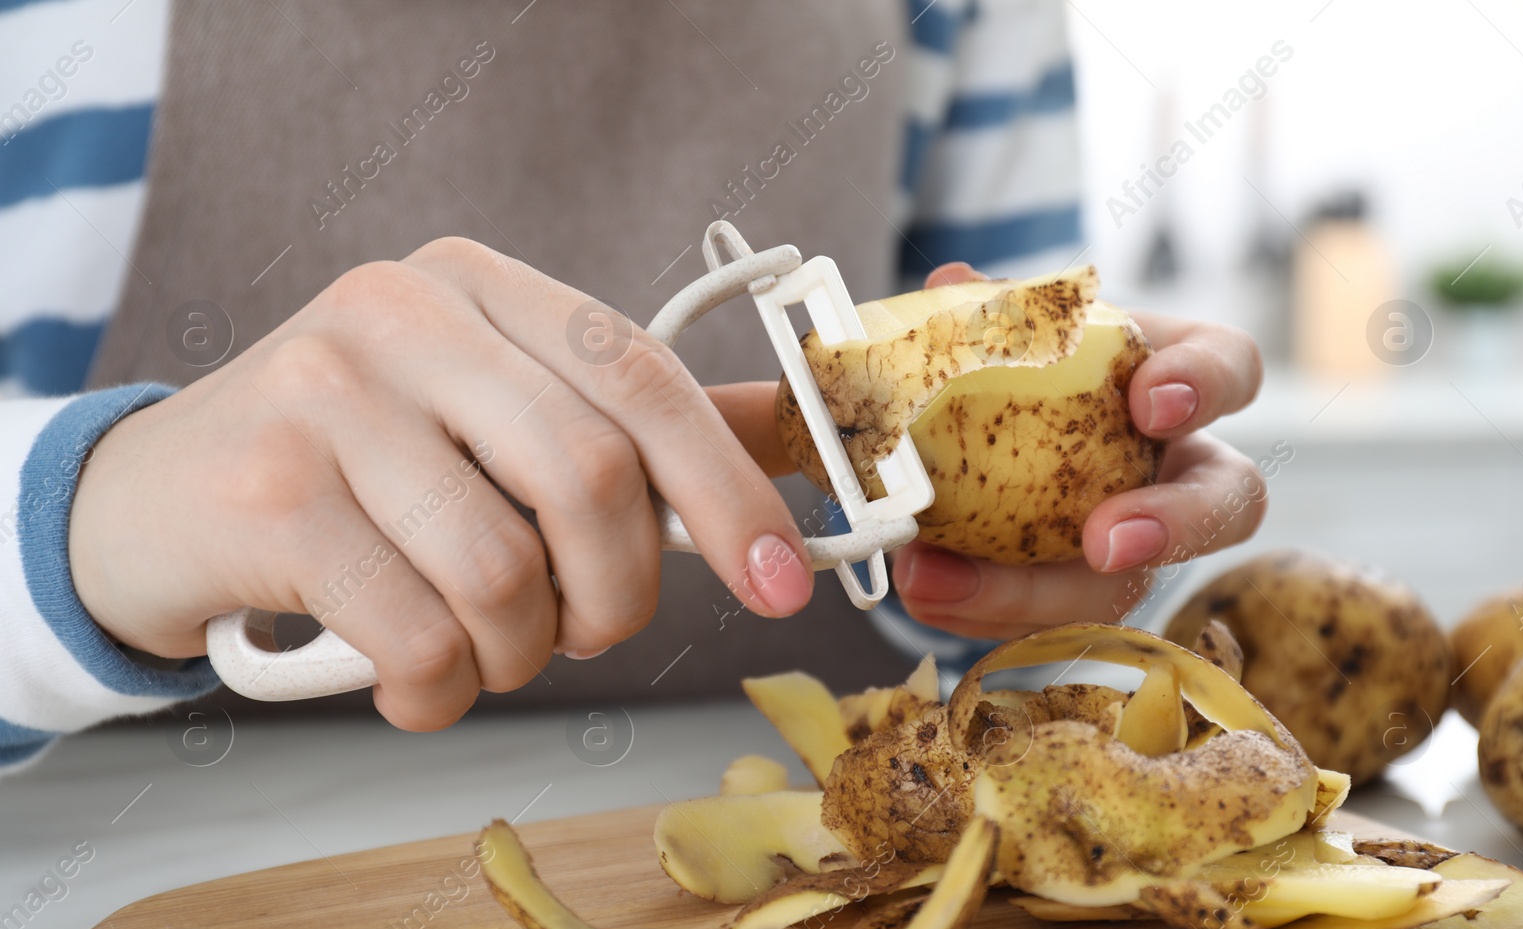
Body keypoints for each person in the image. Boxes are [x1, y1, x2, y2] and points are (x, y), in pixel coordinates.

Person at [0, 0, 1265, 770]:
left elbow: (994, 511)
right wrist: (78, 527)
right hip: (125, 871)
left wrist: (1027, 577)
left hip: (833, 844)